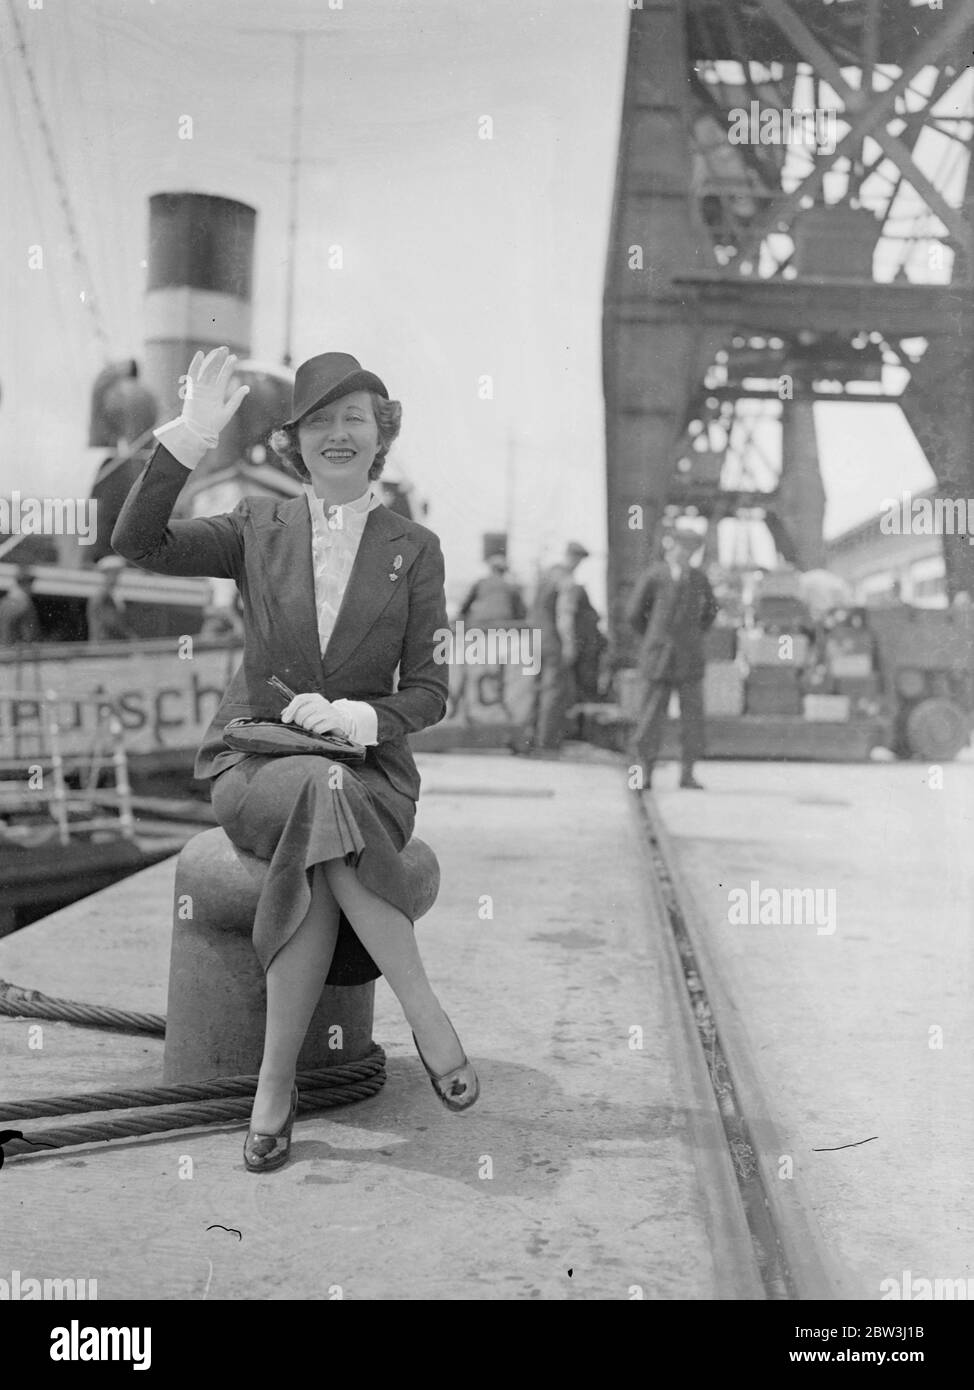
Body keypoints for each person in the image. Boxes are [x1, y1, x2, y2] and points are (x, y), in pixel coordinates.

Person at [112, 346, 479, 1174]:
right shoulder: (256, 527)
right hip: (254, 763)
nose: (338, 434)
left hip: (368, 771)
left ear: (380, 435)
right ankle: (427, 1014)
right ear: (298, 441)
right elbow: (135, 540)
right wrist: (188, 435)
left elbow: (430, 692)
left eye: (355, 419)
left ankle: (272, 1090)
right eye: (320, 421)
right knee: (318, 790)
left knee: (322, 822)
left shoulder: (413, 548)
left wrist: (361, 716)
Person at [627, 522, 718, 790]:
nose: (686, 554)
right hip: (658, 659)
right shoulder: (654, 576)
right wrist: (655, 639)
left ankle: (687, 773)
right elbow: (635, 615)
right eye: (682, 548)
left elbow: (710, 612)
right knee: (650, 718)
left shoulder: (699, 579)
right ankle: (644, 773)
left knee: (692, 720)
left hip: (689, 659)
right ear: (671, 546)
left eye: (691, 550)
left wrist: (691, 637)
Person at [522, 540, 591, 754]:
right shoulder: (567, 580)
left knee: (534, 690)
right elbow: (564, 616)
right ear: (577, 559)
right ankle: (546, 743)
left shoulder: (546, 574)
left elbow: (529, 603)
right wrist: (569, 645)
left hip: (533, 638)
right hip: (552, 641)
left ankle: (527, 739)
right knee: (553, 692)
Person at [86, 556, 135, 642]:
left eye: (118, 573)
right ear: (106, 574)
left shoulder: (111, 595)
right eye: (115, 573)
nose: (117, 577)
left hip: (109, 643)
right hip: (106, 644)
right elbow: (111, 622)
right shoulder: (102, 596)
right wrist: (130, 637)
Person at [0, 566, 41, 646]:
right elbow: (29, 635)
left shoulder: (3, 602)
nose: (32, 587)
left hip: (3, 650)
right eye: (31, 583)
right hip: (16, 651)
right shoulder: (25, 604)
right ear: (26, 583)